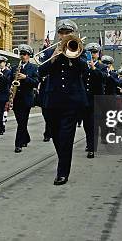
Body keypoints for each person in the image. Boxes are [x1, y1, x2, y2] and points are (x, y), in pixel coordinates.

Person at [38, 19, 88, 185]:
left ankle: (62, 172)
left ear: (73, 33)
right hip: (53, 99)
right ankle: (63, 158)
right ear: (58, 34)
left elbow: (85, 70)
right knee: (55, 134)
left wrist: (72, 57)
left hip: (72, 101)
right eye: (62, 33)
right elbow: (40, 71)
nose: (65, 35)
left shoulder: (80, 49)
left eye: (68, 33)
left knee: (66, 137)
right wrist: (53, 57)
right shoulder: (49, 51)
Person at [81, 42, 107, 158]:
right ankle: (89, 143)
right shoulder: (83, 65)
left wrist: (94, 68)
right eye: (90, 52)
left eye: (95, 52)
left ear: (98, 53)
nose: (93, 54)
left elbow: (104, 78)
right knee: (86, 125)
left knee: (93, 124)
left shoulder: (102, 67)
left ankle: (91, 148)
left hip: (96, 99)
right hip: (84, 100)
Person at [11, 44, 39, 153]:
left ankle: (18, 144)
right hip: (16, 98)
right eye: (21, 54)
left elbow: (36, 82)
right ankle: (26, 137)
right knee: (20, 121)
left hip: (26, 98)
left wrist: (25, 77)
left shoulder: (33, 68)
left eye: (25, 54)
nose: (22, 56)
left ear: (29, 56)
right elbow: (10, 81)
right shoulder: (14, 67)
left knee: (22, 121)